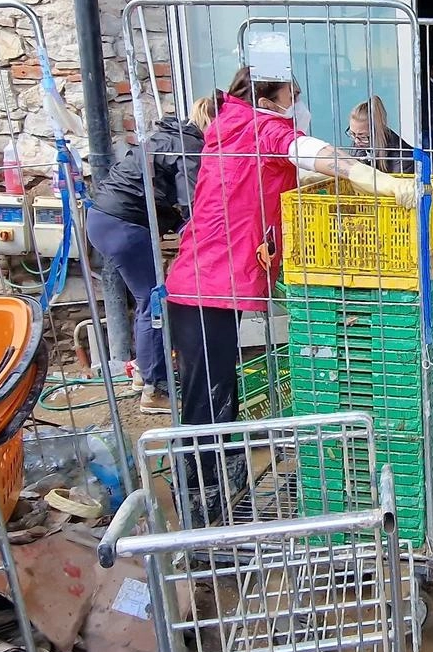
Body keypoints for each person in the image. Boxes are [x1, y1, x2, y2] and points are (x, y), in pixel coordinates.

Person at [163, 66, 415, 526]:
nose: (300, 102)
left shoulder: (237, 126)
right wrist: (387, 184)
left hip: (210, 284)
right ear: (272, 94)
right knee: (207, 404)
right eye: (294, 93)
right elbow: (327, 158)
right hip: (207, 288)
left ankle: (222, 495)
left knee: (220, 396)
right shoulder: (261, 127)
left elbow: (282, 178)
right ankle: (200, 519)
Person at [87, 96, 218, 415]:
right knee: (154, 300)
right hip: (123, 224)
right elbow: (193, 207)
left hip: (104, 219)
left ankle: (144, 374)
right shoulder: (188, 148)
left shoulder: (170, 136)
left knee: (150, 297)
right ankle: (155, 387)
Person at [347, 95, 415, 174]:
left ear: (377, 132)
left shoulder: (401, 157)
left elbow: (398, 184)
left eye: (362, 136)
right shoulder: (359, 143)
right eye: (352, 134)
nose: (356, 141)